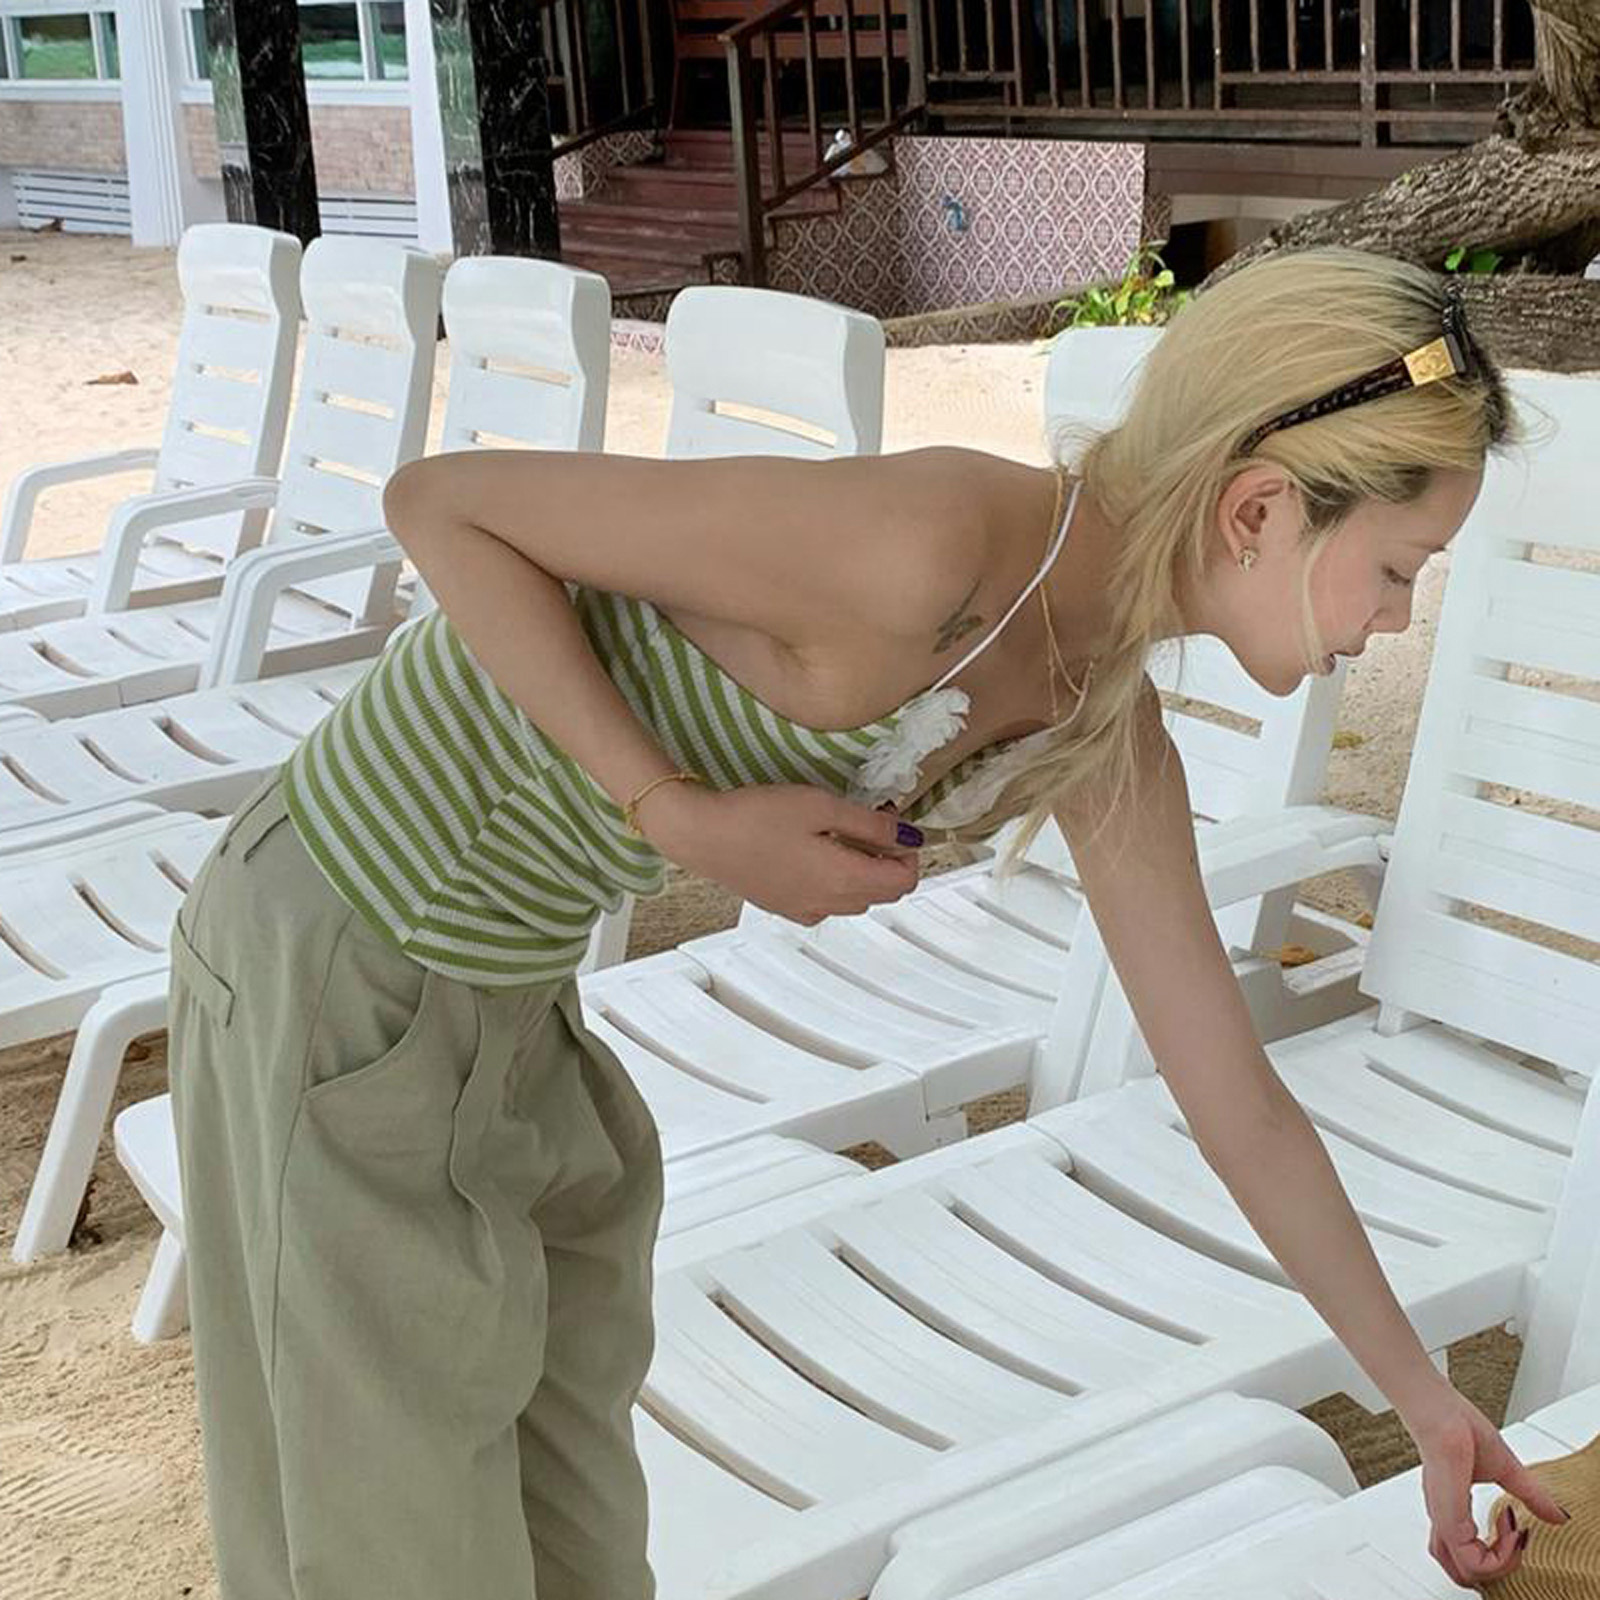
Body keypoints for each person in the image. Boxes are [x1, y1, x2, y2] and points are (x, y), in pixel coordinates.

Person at [168, 245, 1570, 1600]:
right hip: (339, 958)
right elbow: (444, 504)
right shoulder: (931, 547)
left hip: (503, 995)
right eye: (1401, 568)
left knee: (572, 1526)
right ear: (1258, 511)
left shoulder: (1103, 722)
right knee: (389, 1539)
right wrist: (676, 814)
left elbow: (1235, 1100)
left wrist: (1425, 1403)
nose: (1396, 621)